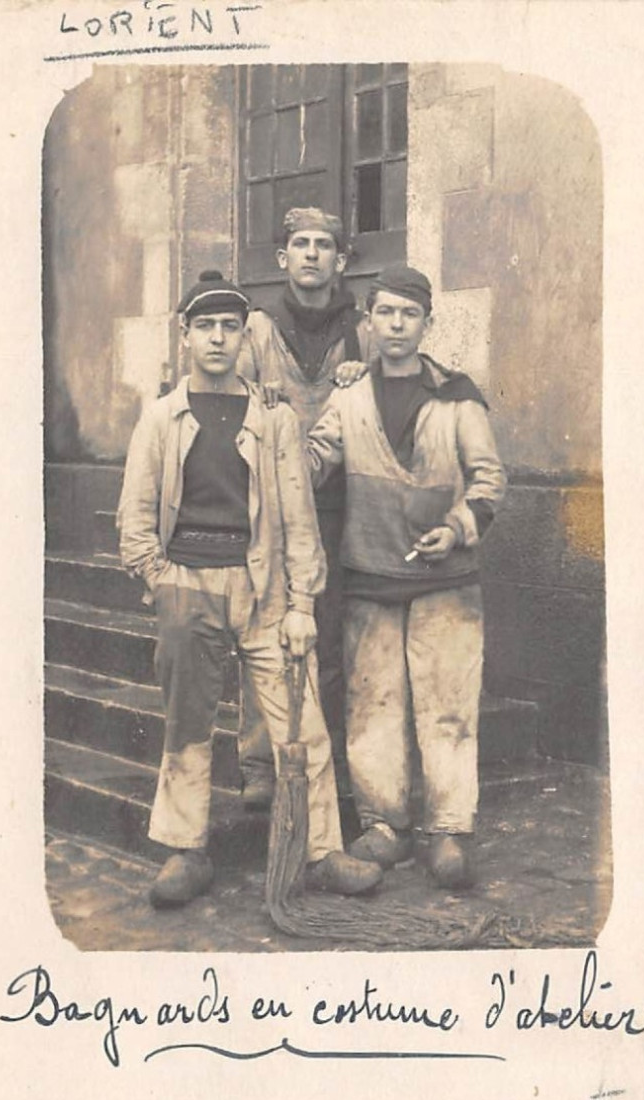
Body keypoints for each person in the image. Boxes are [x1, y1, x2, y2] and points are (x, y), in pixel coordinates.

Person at [116, 270, 383, 907]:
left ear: (244, 337)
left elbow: (298, 516)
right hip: (190, 585)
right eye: (204, 327)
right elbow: (134, 517)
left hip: (263, 590)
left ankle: (321, 850)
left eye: (228, 327)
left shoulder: (274, 419)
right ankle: (187, 849)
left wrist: (300, 604)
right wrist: (163, 582)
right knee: (188, 725)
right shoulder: (160, 418)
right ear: (185, 337)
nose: (217, 338)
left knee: (303, 723)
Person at [306, 265, 507, 889]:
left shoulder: (457, 396)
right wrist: (273, 437)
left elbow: (489, 480)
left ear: (426, 322)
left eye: (408, 314)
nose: (395, 325)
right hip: (368, 573)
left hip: (447, 580)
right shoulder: (348, 396)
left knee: (448, 705)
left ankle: (447, 830)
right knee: (373, 706)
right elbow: (313, 461)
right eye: (385, 313)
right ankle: (384, 824)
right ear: (368, 319)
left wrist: (457, 527)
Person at [235, 206, 372, 808]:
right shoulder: (258, 330)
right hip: (272, 508)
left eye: (324, 245)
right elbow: (226, 391)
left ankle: (330, 756)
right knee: (267, 629)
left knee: (333, 632)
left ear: (340, 261)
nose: (311, 254)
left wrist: (366, 370)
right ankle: (261, 763)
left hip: (341, 504)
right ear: (282, 259)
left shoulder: (361, 328)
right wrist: (252, 394)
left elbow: (389, 386)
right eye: (300, 244)